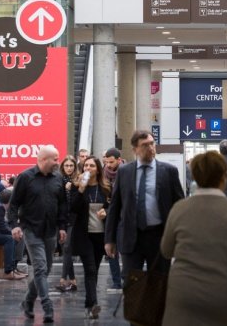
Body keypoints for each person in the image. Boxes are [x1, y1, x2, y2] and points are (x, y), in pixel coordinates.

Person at [161, 151, 227, 325]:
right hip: (221, 293)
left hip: (182, 291)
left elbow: (166, 251)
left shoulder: (179, 208)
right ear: (224, 176)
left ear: (195, 176)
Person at [104, 130, 185, 284]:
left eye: (152, 144)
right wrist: (110, 239)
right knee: (132, 285)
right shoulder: (125, 172)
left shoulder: (168, 171)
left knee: (159, 285)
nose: (150, 148)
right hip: (131, 237)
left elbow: (179, 206)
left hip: (159, 237)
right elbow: (115, 206)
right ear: (135, 150)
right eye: (145, 145)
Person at [9, 145, 68, 323]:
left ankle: (27, 302)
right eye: (55, 159)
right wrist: (14, 225)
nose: (58, 162)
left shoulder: (58, 178)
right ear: (43, 159)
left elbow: (63, 205)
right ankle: (47, 306)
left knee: (46, 269)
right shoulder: (25, 177)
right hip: (31, 229)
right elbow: (13, 204)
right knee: (40, 268)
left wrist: (62, 226)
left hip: (50, 230)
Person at [70, 156, 110, 319]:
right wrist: (80, 189)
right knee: (90, 269)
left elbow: (113, 208)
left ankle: (89, 304)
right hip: (84, 234)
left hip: (100, 235)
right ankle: (93, 304)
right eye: (85, 165)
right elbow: (72, 208)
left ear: (98, 169)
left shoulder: (106, 188)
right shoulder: (77, 186)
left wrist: (106, 212)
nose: (88, 168)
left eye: (92, 165)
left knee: (94, 271)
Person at [101, 147, 123, 291]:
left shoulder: (127, 172)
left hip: (123, 217)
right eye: (106, 162)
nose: (108, 165)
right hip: (109, 217)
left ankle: (125, 279)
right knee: (111, 252)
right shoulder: (102, 174)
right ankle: (116, 282)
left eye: (111, 162)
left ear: (119, 160)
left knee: (125, 251)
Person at [56, 155, 79, 292]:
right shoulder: (58, 180)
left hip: (74, 218)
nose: (69, 168)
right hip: (61, 218)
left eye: (71, 166)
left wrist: (73, 188)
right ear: (62, 167)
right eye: (67, 166)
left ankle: (63, 279)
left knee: (67, 248)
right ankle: (73, 280)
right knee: (66, 249)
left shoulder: (78, 180)